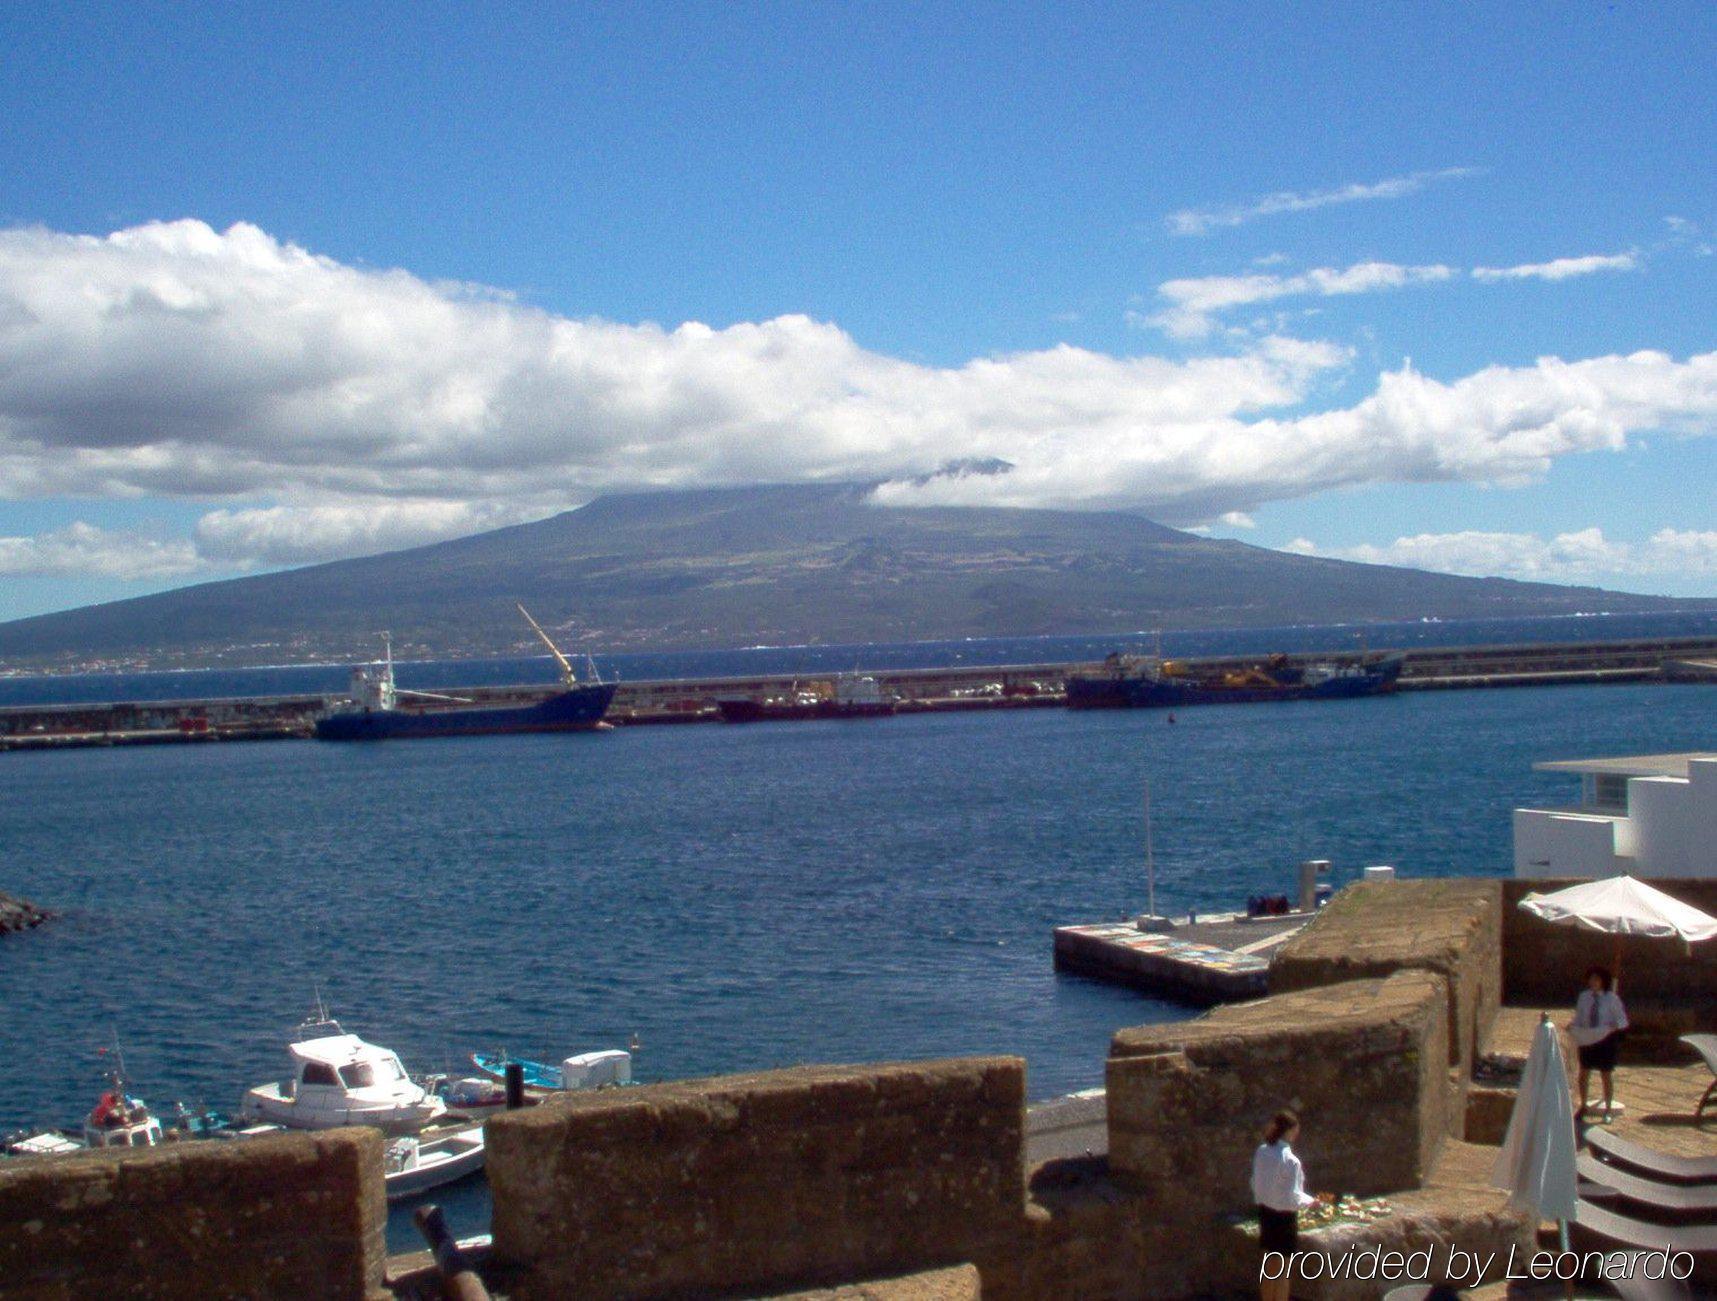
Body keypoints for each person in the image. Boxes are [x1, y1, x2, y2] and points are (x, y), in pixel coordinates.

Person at [1252, 1109, 1315, 1301]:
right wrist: (1312, 1202)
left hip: (1265, 1213)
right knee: (1282, 1271)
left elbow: (1256, 1182)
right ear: (1289, 1131)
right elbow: (1293, 1196)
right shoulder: (1290, 1161)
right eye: (1295, 1131)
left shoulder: (1262, 1151)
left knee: (1269, 1266)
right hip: (1284, 1217)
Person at [1570, 965, 1629, 1121]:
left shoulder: (1611, 999)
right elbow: (1579, 1017)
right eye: (1591, 979)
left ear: (1603, 981)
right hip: (1587, 1039)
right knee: (1584, 1073)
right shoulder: (1584, 997)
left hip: (1605, 1040)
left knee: (1606, 1074)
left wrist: (1614, 1026)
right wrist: (1574, 1026)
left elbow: (1623, 1020)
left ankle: (1608, 1110)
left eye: (1597, 979)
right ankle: (1583, 1105)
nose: (1593, 982)